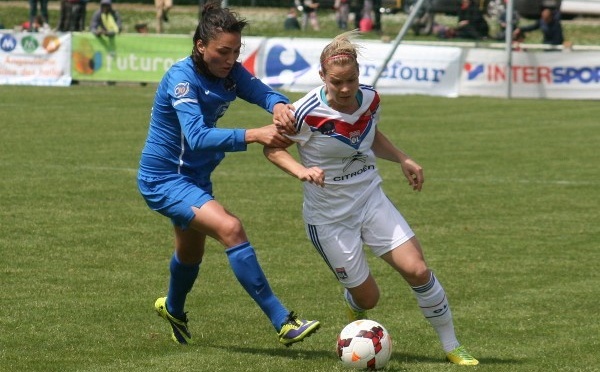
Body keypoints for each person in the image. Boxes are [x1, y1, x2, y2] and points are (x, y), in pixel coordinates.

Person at [263, 30, 479, 366]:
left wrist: (403, 158)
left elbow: (369, 135)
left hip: (370, 199)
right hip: (329, 219)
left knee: (418, 270)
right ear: (322, 76)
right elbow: (273, 149)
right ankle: (355, 303)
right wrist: (301, 171)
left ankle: (452, 346)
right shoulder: (303, 112)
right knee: (369, 297)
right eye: (337, 82)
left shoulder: (371, 99)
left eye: (351, 79)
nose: (346, 89)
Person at [137, 2, 320, 346]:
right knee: (231, 228)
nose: (230, 59)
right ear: (200, 46)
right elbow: (197, 136)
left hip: (194, 177)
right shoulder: (182, 79)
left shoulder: (231, 72)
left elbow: (260, 91)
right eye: (223, 51)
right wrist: (255, 134)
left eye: (236, 52)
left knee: (190, 254)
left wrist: (278, 105)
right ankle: (283, 321)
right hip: (164, 179)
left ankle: (172, 307)